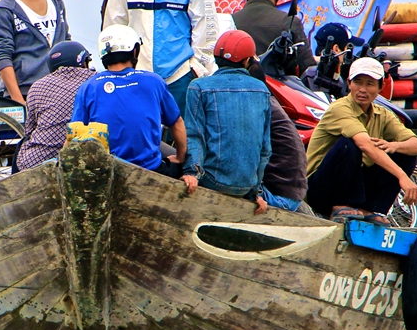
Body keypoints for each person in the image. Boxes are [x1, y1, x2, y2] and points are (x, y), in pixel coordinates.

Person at [305, 57, 417, 223]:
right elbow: (364, 143)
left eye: (370, 84)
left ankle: (369, 208)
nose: (362, 89)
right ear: (349, 83)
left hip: (354, 186)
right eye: (358, 82)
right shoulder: (340, 108)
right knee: (350, 144)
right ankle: (340, 205)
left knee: (406, 155)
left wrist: (394, 145)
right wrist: (402, 176)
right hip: (318, 189)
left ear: (380, 87)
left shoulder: (383, 114)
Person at [72, 25, 187, 177]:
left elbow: (75, 135)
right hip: (150, 170)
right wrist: (180, 157)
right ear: (134, 51)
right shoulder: (153, 81)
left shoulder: (88, 87)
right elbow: (176, 122)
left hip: (105, 173)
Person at [181, 30, 271, 214]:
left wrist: (192, 173)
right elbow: (265, 149)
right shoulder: (262, 90)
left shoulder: (198, 87)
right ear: (247, 61)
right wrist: (255, 191)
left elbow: (195, 136)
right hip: (245, 186)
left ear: (216, 58)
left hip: (211, 181)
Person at [243, 56, 310, 211]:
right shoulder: (268, 102)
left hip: (278, 196)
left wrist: (256, 192)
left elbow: (255, 153)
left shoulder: (258, 107)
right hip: (291, 194)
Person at [16, 41, 95, 170]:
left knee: (22, 145)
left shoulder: (37, 86)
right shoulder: (96, 81)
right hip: (87, 156)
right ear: (83, 62)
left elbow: (29, 130)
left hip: (38, 162)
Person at [232, 0, 315, 72]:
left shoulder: (229, 21)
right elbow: (308, 68)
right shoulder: (290, 22)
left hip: (238, 82)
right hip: (281, 82)